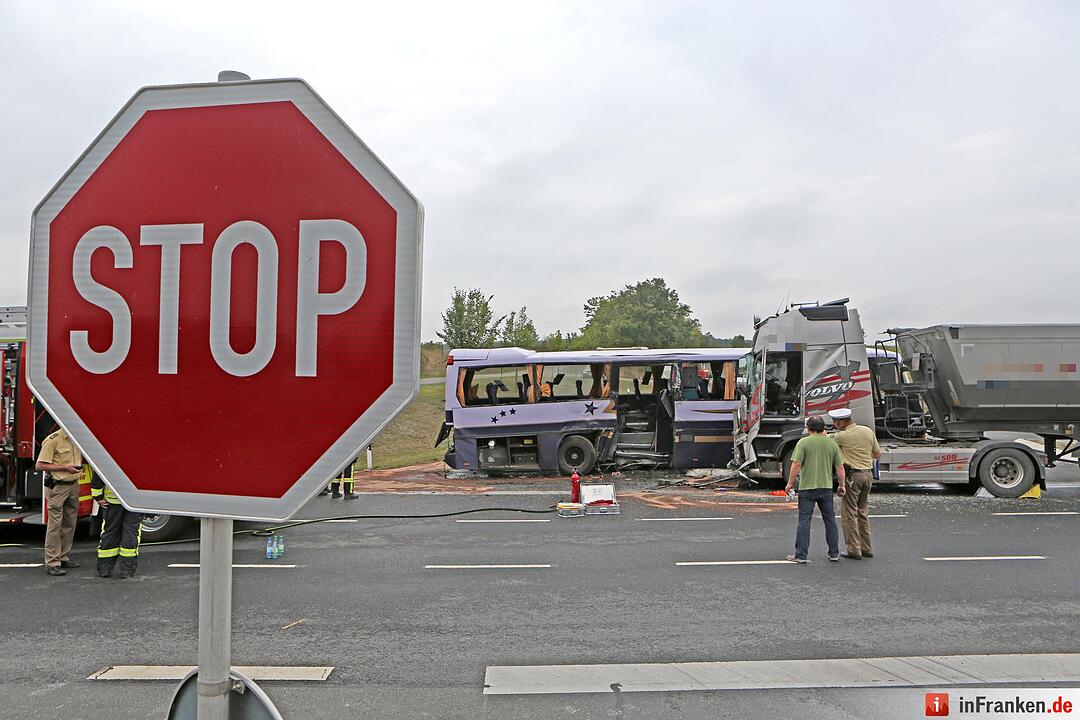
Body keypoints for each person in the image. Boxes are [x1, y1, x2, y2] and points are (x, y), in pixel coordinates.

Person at [785, 415, 846, 563]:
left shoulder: (803, 442)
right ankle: (834, 553)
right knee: (830, 520)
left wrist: (790, 483)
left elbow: (796, 465)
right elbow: (839, 467)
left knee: (804, 521)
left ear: (808, 428)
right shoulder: (831, 444)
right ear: (823, 428)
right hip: (826, 487)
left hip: (807, 487)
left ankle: (801, 555)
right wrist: (842, 485)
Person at [829, 407, 882, 559]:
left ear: (841, 422)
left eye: (834, 422)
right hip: (868, 475)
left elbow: (824, 438)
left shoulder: (841, 436)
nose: (834, 425)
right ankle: (867, 547)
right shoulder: (867, 431)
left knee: (850, 512)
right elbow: (877, 454)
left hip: (853, 476)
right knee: (863, 511)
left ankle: (854, 549)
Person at [36, 428, 84, 576]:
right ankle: (52, 563)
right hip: (58, 486)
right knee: (55, 525)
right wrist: (65, 467)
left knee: (70, 523)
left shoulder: (77, 438)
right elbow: (40, 465)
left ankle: (63, 557)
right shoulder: (53, 440)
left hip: (73, 486)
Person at [90, 471, 144, 578]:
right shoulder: (140, 455)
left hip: (112, 501)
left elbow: (100, 472)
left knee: (110, 532)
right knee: (131, 533)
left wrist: (98, 497)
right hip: (135, 500)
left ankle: (105, 569)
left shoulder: (114, 453)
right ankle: (126, 570)